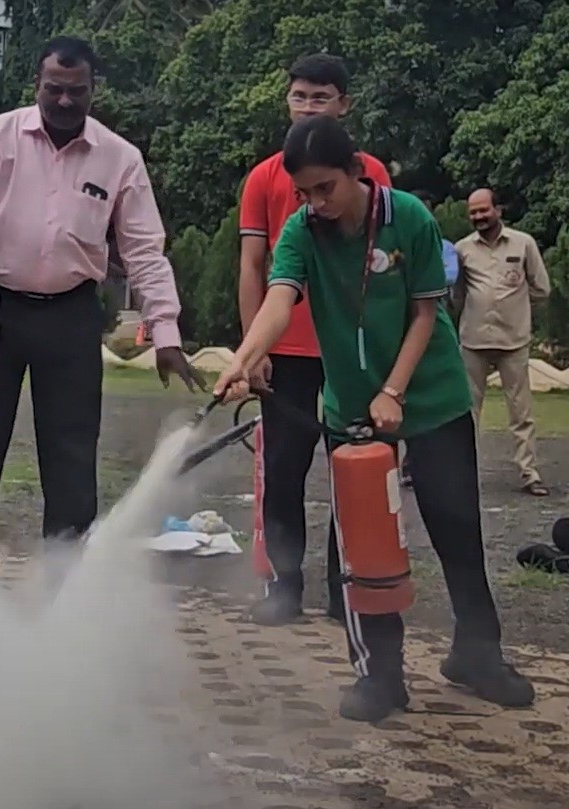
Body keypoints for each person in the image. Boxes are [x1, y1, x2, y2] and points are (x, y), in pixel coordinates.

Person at [216, 115, 534, 722]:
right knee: (365, 543)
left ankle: (477, 653)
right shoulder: (301, 233)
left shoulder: (407, 216)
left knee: (456, 527)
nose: (314, 203)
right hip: (351, 408)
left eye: (325, 188)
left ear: (355, 171)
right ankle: (379, 674)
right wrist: (244, 358)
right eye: (304, 192)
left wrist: (393, 390)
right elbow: (279, 299)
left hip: (431, 395)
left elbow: (423, 315)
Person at [0, 35, 204, 574]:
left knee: (72, 461)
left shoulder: (119, 158)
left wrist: (166, 333)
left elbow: (145, 252)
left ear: (91, 90)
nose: (63, 101)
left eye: (75, 91)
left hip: (71, 315)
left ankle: (65, 594)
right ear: (36, 84)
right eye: (53, 89)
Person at [238, 53, 392, 626]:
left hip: (348, 352)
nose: (307, 106)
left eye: (320, 97)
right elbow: (253, 267)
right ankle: (283, 586)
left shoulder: (369, 172)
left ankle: (343, 587)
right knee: (282, 471)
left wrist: (375, 348)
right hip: (286, 353)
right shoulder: (264, 177)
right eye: (299, 96)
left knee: (351, 469)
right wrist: (253, 350)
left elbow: (381, 267)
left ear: (343, 106)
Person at [455, 188, 551, 497]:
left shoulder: (522, 243)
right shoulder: (462, 249)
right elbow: (457, 294)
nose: (479, 217)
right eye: (473, 212)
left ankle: (529, 473)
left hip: (513, 339)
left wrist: (515, 308)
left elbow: (541, 289)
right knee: (467, 411)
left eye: (484, 210)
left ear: (498, 209)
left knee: (521, 412)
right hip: (474, 340)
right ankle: (463, 473)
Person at [397, 191, 459, 489]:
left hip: (433, 334)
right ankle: (408, 463)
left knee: (437, 410)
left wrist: (419, 274)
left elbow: (448, 275)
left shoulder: (443, 246)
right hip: (397, 334)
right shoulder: (392, 246)